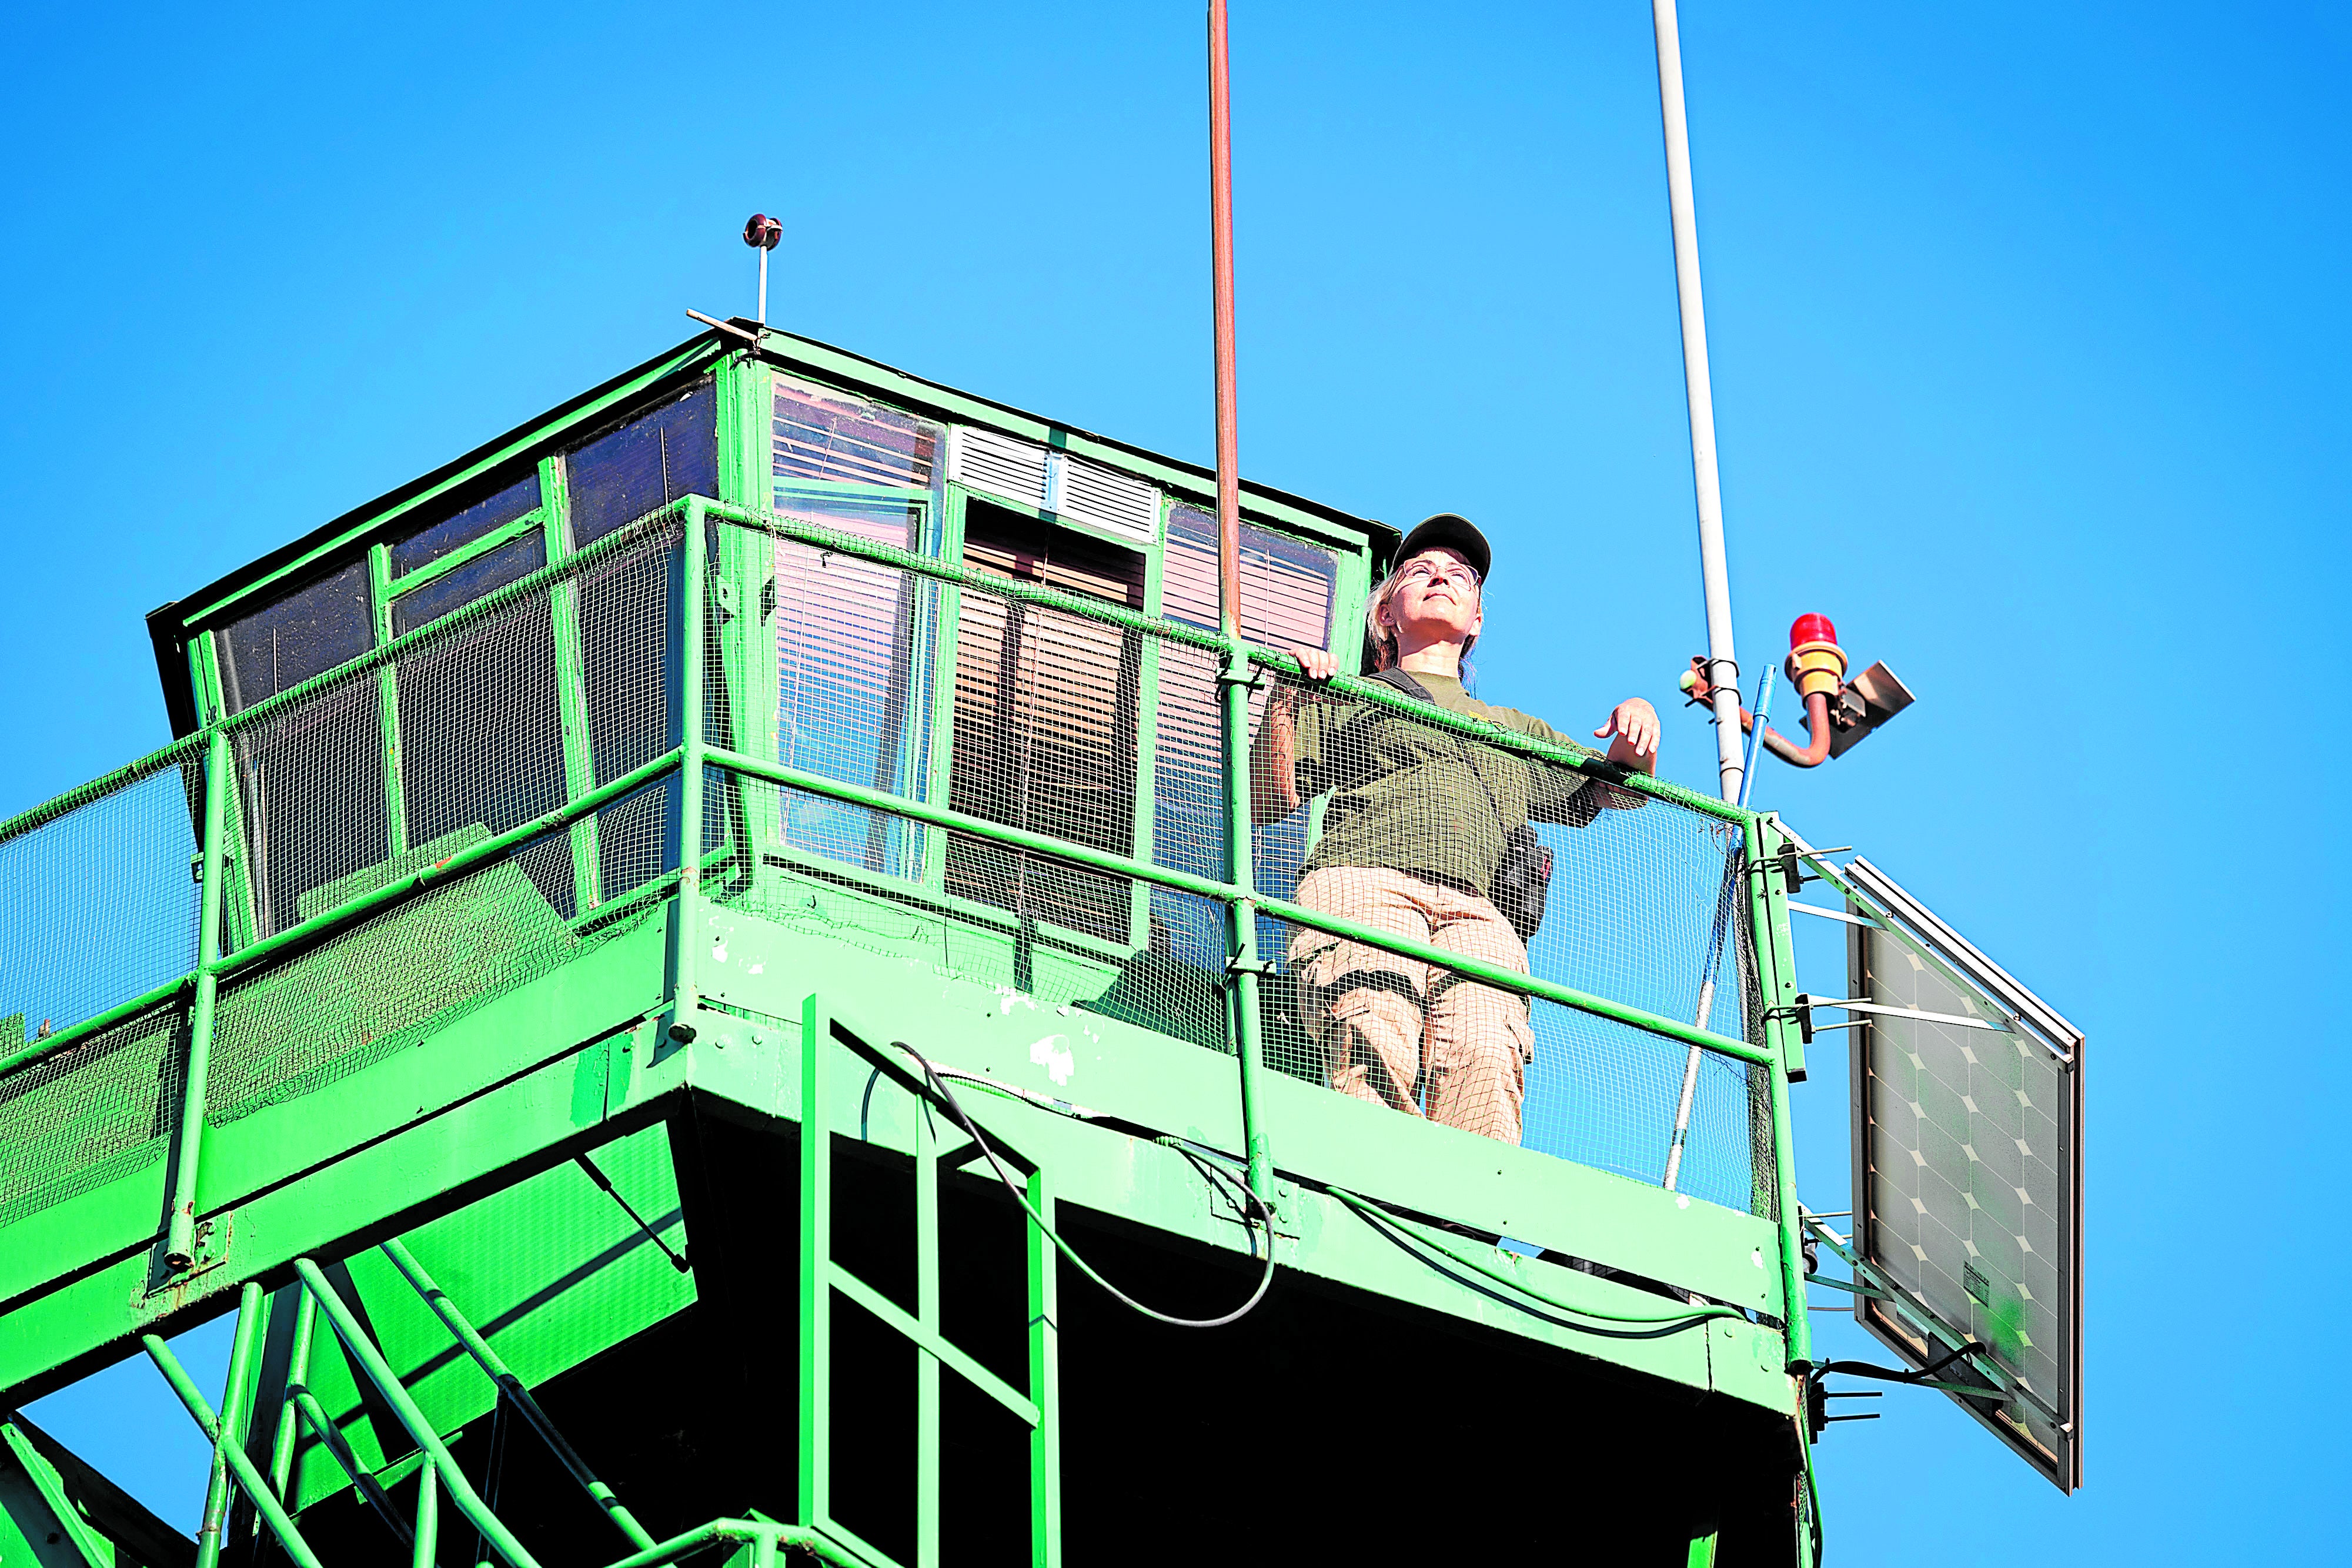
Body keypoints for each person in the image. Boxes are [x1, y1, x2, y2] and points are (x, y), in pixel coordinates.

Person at [1251, 513, 1658, 1146]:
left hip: (1477, 910)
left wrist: (1639, 730)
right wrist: (1284, 698)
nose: (1441, 576)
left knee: (1487, 1054)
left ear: (1476, 621)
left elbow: (1610, 790)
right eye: (1419, 571)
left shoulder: (1512, 728)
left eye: (1459, 576)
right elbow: (1267, 800)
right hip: (1365, 882)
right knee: (1373, 1029)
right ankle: (1372, 1190)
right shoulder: (1348, 693)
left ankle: (1464, 1230)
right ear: (1387, 614)